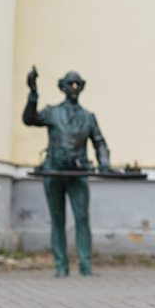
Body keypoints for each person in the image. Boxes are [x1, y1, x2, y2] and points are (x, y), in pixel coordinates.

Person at [23, 67, 112, 277]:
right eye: (70, 84)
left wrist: (104, 163)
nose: (73, 88)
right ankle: (61, 266)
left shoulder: (89, 117)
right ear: (62, 87)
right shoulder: (52, 112)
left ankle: (86, 265)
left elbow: (99, 142)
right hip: (53, 172)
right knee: (57, 219)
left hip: (77, 174)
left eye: (77, 84)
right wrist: (33, 93)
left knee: (82, 218)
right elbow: (29, 119)